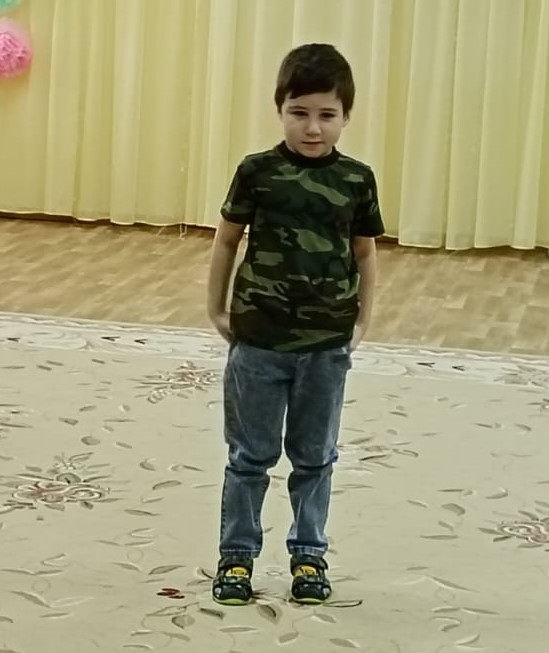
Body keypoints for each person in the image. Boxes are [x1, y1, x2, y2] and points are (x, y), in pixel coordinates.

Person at [207, 43, 384, 606]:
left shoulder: (356, 179)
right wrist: (216, 307)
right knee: (249, 457)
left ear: (346, 116)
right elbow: (227, 241)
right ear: (279, 108)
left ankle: (309, 554)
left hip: (326, 344)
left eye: (327, 114)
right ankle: (236, 557)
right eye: (299, 112)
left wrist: (364, 319)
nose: (312, 127)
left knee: (315, 457)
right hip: (258, 339)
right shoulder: (256, 172)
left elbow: (365, 253)